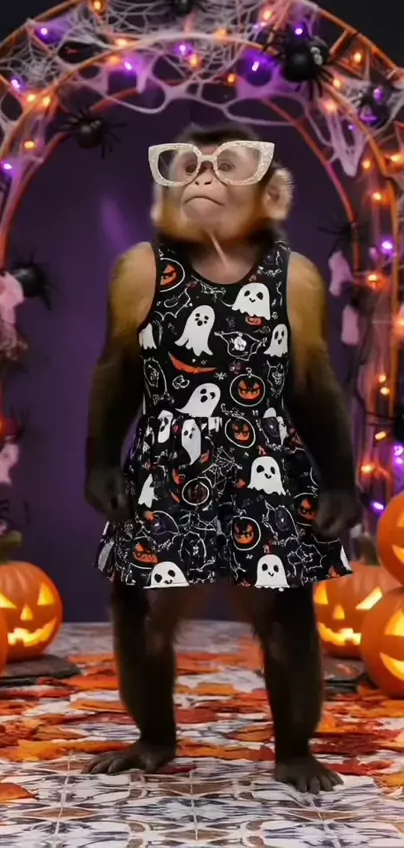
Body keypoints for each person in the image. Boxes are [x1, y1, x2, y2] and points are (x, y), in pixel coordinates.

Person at [84, 123, 360, 792]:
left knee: (286, 614)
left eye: (224, 165)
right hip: (167, 464)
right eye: (191, 166)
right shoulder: (141, 270)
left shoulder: (295, 278)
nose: (203, 177)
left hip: (264, 463)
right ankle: (155, 737)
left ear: (271, 195)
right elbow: (117, 374)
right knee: (142, 610)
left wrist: (339, 482)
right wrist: (102, 464)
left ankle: (294, 749)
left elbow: (315, 388)